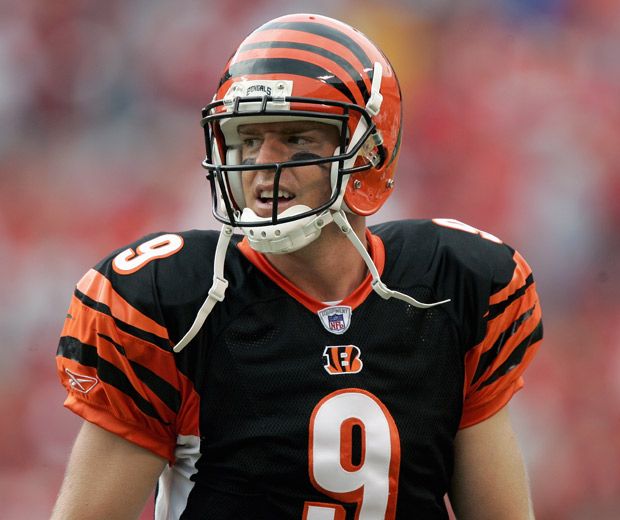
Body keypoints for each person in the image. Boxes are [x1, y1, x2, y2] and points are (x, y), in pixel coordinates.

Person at [52, 13, 542, 520]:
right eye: (247, 139)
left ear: (368, 153)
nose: (263, 162)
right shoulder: (174, 303)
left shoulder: (451, 287)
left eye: (296, 139)